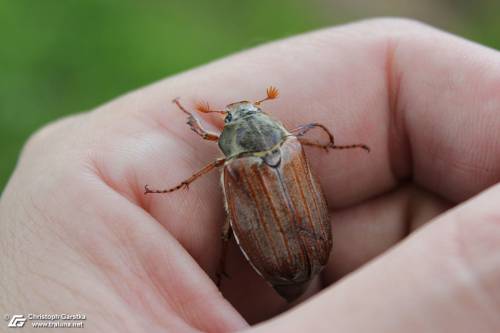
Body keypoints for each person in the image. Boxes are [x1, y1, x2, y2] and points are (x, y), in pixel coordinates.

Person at [1, 18, 499, 332]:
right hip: (291, 255)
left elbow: (206, 140)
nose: (240, 115)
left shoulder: (247, 152)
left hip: (295, 254)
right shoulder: (285, 145)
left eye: (242, 113)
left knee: (223, 224)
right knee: (228, 224)